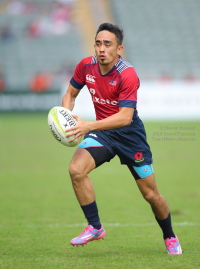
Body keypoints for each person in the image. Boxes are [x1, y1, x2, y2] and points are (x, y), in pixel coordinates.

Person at [62, 23, 182, 255]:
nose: (101, 49)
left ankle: (169, 235)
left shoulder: (127, 73)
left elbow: (125, 118)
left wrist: (87, 125)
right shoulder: (85, 66)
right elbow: (70, 94)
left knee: (150, 194)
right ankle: (95, 227)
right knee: (76, 169)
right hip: (103, 134)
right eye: (98, 43)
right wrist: (65, 117)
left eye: (108, 44)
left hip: (130, 137)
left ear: (119, 49)